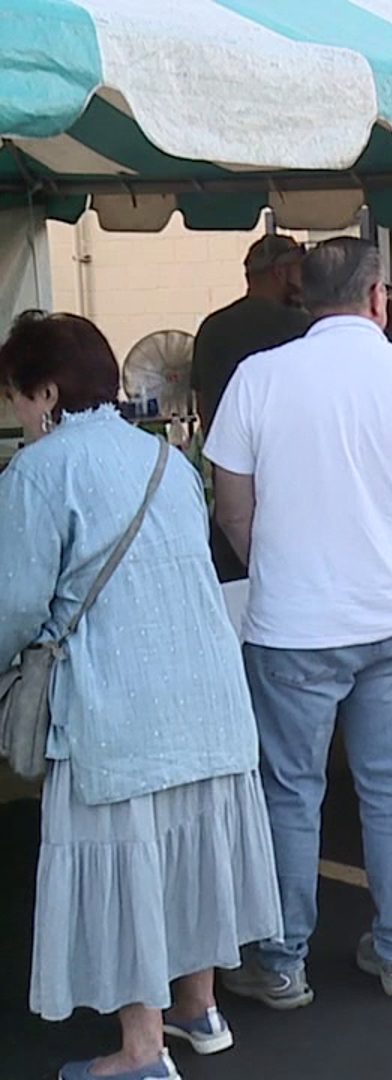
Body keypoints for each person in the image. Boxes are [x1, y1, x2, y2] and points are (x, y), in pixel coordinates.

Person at [0, 311, 281, 1080]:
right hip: (208, 692)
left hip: (117, 703)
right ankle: (200, 1009)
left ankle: (141, 1052)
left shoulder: (39, 471)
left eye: (18, 398)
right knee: (192, 852)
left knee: (131, 867)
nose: (19, 415)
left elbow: (15, 603)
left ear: (47, 392)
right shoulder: (161, 458)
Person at [205, 237, 392, 1006]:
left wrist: (277, 564)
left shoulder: (258, 379)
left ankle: (282, 962)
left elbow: (231, 506)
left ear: (300, 297)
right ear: (380, 298)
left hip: (297, 623)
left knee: (291, 790)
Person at [189, 234, 311, 583]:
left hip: (229, 478)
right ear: (279, 272)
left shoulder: (212, 328)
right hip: (289, 485)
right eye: (299, 270)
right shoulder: (298, 326)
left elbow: (202, 406)